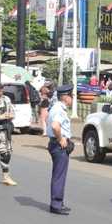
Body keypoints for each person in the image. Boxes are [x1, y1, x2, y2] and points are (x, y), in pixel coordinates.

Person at [46, 85, 74, 215]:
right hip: (58, 145)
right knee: (59, 175)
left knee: (59, 174)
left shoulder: (56, 108)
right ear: (65, 97)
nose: (73, 98)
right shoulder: (59, 109)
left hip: (56, 144)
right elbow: (55, 126)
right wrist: (61, 139)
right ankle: (56, 204)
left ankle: (58, 202)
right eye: (71, 96)